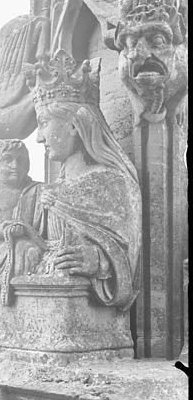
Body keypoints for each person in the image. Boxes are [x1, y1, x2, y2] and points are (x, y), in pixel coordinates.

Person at [32, 53, 142, 311]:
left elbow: (130, 250)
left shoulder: (111, 182)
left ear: (73, 125)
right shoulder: (50, 189)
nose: (38, 137)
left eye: (44, 123)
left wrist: (98, 260)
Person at [0, 139, 46, 305]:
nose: (15, 165)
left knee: (27, 249)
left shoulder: (38, 190)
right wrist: (6, 228)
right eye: (7, 159)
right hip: (3, 249)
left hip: (32, 241)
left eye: (20, 160)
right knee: (21, 248)